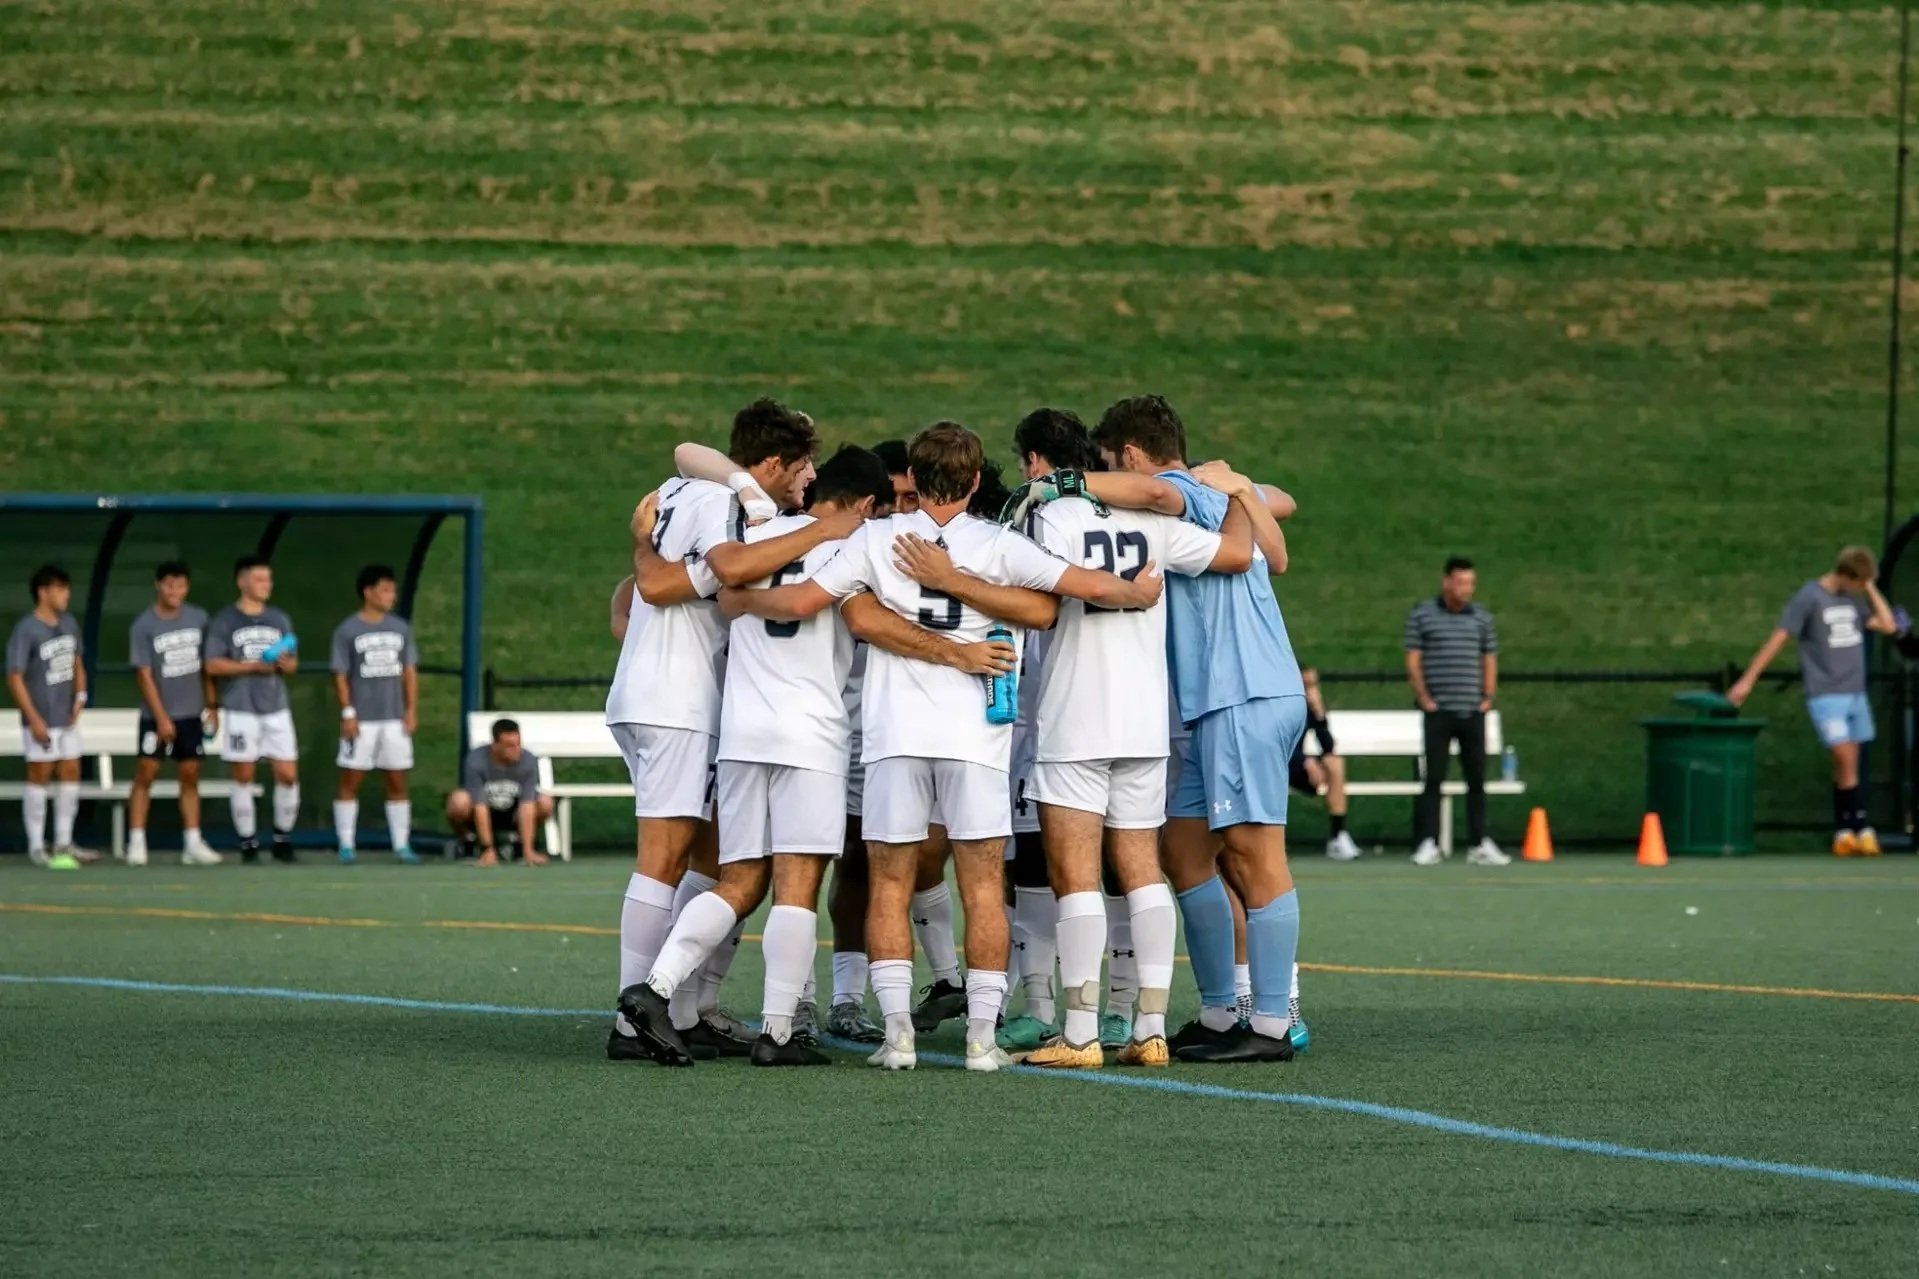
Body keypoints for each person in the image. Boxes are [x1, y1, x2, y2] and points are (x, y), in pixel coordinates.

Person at [731, 421, 1161, 1072]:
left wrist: (733, 592)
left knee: (889, 883)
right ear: (976, 480)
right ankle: (981, 1040)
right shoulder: (995, 541)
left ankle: (897, 1034)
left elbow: (803, 601)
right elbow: (1067, 595)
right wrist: (1136, 591)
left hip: (893, 735)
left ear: (914, 481)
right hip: (975, 739)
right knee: (982, 884)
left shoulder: (877, 537)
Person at [619, 446, 896, 1067]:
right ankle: (778, 1035)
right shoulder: (855, 544)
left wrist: (741, 597)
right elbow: (858, 617)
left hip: (742, 735)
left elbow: (720, 579)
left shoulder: (755, 533)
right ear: (869, 504)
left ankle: (653, 987)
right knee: (796, 888)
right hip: (811, 735)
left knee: (740, 880)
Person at [998, 408, 1253, 1069]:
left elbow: (1039, 600)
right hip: (1144, 720)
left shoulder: (1047, 514)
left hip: (1074, 715)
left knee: (1075, 876)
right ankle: (1150, 1025)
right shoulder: (1154, 521)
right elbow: (1237, 552)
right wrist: (1236, 491)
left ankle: (1079, 1030)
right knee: (1141, 871)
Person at [1059, 394, 1305, 1064]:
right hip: (1222, 701)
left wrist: (1059, 483)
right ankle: (1222, 1009)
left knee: (1255, 855)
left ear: (1130, 456)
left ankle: (1275, 1021)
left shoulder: (1175, 491)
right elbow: (1279, 499)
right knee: (1185, 851)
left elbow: (1152, 492)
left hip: (1242, 693)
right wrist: (1240, 486)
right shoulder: (1218, 493)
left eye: (1111, 467)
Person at [1729, 545, 1899, 855]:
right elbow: (1778, 638)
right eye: (1859, 582)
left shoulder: (1854, 600)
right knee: (1845, 759)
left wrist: (1871, 587)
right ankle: (1861, 825)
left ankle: (1844, 831)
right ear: (1845, 575)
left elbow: (1888, 625)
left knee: (1849, 765)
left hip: (1855, 692)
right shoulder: (1809, 597)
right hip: (1826, 694)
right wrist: (1747, 680)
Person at [1405, 556, 1508, 867]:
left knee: (1476, 780)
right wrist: (1424, 697)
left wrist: (1487, 697)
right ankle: (1428, 842)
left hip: (1472, 710)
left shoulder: (1481, 618)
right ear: (1447, 582)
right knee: (1433, 778)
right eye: (1461, 582)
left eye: (1471, 583)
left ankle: (1479, 842)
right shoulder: (1423, 615)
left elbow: (1489, 657)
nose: (1466, 589)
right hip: (1439, 711)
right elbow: (1413, 658)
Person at [205, 556, 301, 863]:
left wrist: (287, 665)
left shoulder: (279, 619)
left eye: (269, 579)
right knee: (244, 773)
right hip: (240, 707)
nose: (266, 585)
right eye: (259, 579)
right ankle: (248, 842)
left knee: (287, 773)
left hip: (275, 706)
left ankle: (282, 838)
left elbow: (292, 662)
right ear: (242, 582)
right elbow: (212, 664)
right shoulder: (224, 621)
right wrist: (253, 666)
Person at [127, 561, 220, 867]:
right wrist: (162, 717)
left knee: (190, 774)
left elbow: (207, 666)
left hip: (191, 713)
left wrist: (212, 705)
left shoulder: (199, 618)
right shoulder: (143, 625)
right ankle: (137, 841)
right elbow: (143, 675)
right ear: (158, 585)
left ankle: (192, 842)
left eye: (180, 585)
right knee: (146, 773)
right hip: (157, 716)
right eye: (169, 585)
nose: (174, 591)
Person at [329, 565, 421, 866]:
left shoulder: (400, 628)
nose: (391, 596)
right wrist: (348, 713)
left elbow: (409, 671)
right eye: (385, 590)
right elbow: (340, 674)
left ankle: (401, 844)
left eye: (393, 590)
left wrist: (410, 710)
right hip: (362, 720)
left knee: (396, 780)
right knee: (351, 779)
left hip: (394, 718)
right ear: (368, 592)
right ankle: (346, 843)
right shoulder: (347, 630)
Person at [7, 565, 91, 869]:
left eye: (67, 589)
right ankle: (36, 845)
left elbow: (77, 661)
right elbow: (15, 677)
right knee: (39, 776)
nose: (66, 595)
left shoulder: (69, 624)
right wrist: (33, 718)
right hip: (40, 719)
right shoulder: (26, 629)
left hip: (66, 719)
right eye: (60, 589)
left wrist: (80, 697)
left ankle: (64, 842)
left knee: (70, 772)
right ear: (43, 592)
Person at [447, 719, 554, 866]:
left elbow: (527, 804)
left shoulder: (527, 760)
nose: (516, 750)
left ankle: (520, 844)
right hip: (483, 811)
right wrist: (488, 848)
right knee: (458, 801)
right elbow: (480, 805)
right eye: (510, 746)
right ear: (495, 745)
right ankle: (468, 841)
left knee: (545, 802)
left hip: (513, 812)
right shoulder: (476, 761)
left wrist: (528, 850)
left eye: (518, 744)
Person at [1292, 668, 1361, 861]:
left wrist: (1319, 713)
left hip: (1297, 767)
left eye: (1314, 685)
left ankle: (1338, 836)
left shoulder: (1308, 707)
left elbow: (1328, 746)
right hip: (1273, 763)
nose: (1311, 690)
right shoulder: (1280, 706)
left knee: (1334, 762)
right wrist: (1304, 760)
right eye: (1307, 685)